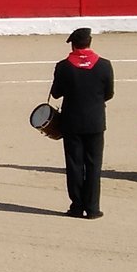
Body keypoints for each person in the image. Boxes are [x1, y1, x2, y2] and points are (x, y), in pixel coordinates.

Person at [48, 27, 114, 219]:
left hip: (72, 122)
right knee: (94, 165)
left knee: (75, 164)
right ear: (90, 42)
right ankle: (93, 208)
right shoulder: (104, 65)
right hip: (95, 121)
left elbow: (56, 93)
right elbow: (109, 94)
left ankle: (77, 206)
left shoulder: (63, 66)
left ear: (73, 44)